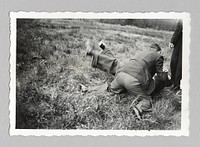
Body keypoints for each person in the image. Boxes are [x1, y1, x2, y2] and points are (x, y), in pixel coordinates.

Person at [86, 41, 168, 118]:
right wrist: (166, 75)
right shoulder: (158, 56)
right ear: (159, 52)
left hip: (120, 75)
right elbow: (161, 77)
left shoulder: (140, 52)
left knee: (110, 88)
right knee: (146, 100)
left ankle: (88, 89)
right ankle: (138, 110)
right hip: (133, 81)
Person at [169, 20, 182, 91]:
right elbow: (178, 28)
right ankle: (173, 82)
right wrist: (172, 41)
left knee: (181, 65)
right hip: (179, 40)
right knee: (173, 62)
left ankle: (177, 85)